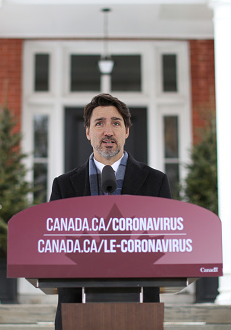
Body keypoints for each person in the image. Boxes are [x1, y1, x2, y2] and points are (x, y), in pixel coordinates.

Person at [49, 93, 172, 330]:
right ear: (87, 132)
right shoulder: (64, 186)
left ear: (126, 131)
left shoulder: (155, 182)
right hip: (76, 308)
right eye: (99, 123)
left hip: (140, 307)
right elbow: (56, 248)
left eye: (116, 123)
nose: (108, 131)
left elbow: (164, 244)